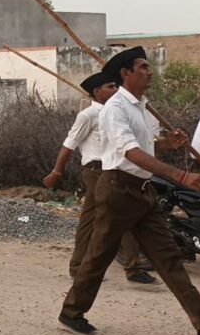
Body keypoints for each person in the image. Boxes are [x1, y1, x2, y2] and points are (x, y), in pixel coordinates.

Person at [59, 46, 200, 335]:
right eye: (143, 67)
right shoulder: (115, 108)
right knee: (98, 257)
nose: (149, 71)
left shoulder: (140, 106)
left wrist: (167, 144)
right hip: (117, 190)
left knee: (169, 259)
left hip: (140, 192)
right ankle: (72, 313)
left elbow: (145, 147)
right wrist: (180, 176)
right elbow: (131, 152)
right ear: (126, 73)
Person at [44, 72, 159, 288]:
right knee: (118, 215)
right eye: (109, 86)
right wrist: (56, 172)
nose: (115, 90)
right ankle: (130, 268)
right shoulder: (88, 115)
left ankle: (82, 267)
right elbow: (69, 144)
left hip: (112, 169)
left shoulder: (116, 111)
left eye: (115, 86)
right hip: (96, 170)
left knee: (99, 218)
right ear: (97, 92)